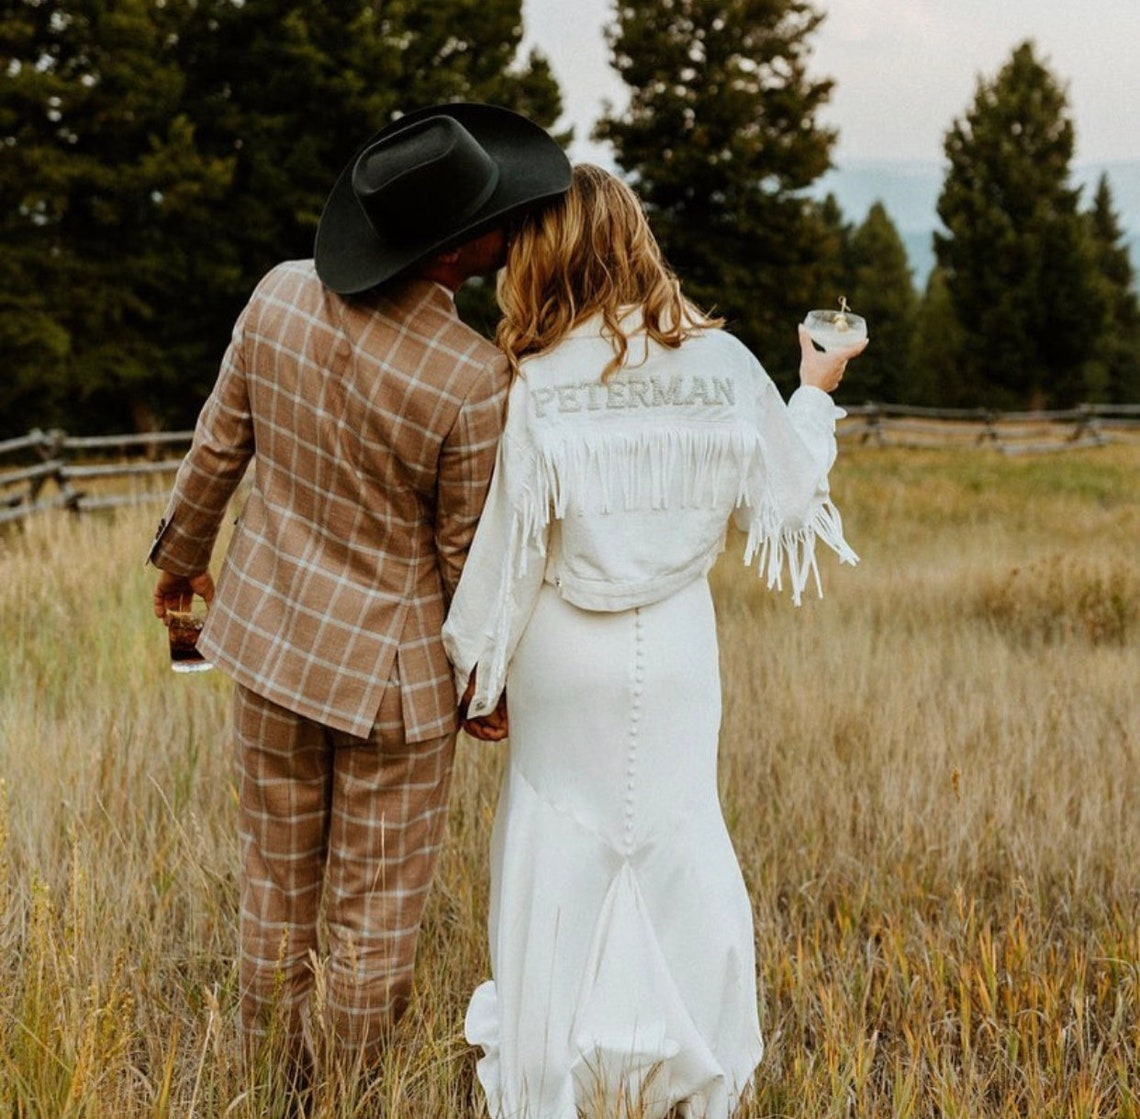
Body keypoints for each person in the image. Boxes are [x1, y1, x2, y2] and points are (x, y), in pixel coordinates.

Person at [147, 103, 570, 1078]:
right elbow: (467, 556)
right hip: (391, 689)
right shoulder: (475, 380)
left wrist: (183, 560)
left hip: (266, 650)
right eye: (499, 221)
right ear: (460, 253)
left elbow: (217, 446)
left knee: (271, 890)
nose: (512, 232)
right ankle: (342, 1099)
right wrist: (488, 688)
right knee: (374, 918)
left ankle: (267, 1089)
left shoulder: (279, 296)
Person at [442, 164, 867, 1119]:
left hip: (563, 655)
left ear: (544, 257)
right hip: (678, 649)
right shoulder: (718, 365)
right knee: (678, 833)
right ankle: (688, 1067)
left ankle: (555, 1077)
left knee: (557, 841)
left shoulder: (539, 378)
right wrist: (814, 386)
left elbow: (512, 549)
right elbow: (790, 492)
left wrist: (482, 673)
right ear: (635, 240)